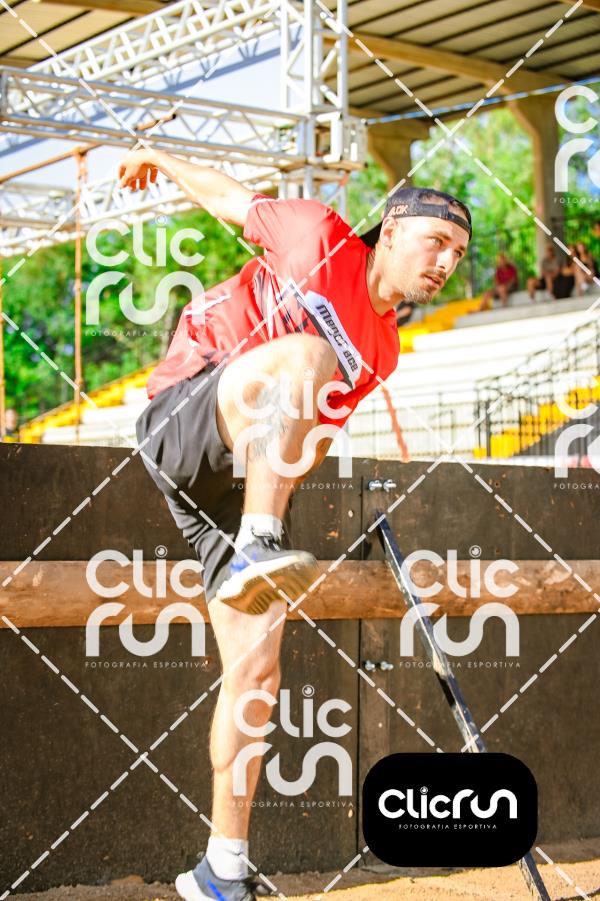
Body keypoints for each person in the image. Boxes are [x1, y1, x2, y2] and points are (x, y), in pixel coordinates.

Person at [119, 148, 471, 901]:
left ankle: (222, 870)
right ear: (393, 228)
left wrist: (269, 501)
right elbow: (228, 198)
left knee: (256, 673)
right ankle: (259, 544)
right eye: (437, 241)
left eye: (459, 254)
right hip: (188, 412)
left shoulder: (384, 349)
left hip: (239, 486)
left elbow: (309, 435)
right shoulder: (317, 234)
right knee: (308, 353)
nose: (447, 262)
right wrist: (159, 158)